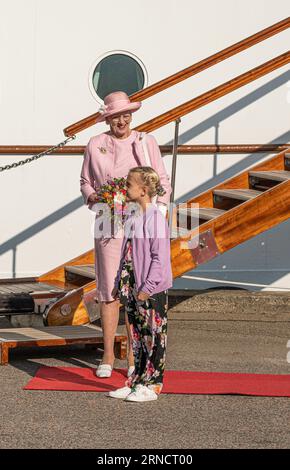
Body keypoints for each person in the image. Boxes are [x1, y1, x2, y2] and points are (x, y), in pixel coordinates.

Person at [80, 91, 172, 378]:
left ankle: (134, 355)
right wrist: (96, 198)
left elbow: (162, 180)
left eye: (126, 114)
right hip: (108, 220)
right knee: (109, 289)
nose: (122, 120)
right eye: (116, 116)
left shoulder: (147, 141)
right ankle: (107, 356)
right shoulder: (96, 144)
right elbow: (85, 181)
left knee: (134, 288)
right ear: (107, 118)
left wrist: (158, 211)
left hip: (140, 221)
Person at [108, 167, 173, 402]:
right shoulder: (135, 217)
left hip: (150, 288)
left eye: (129, 184)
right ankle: (136, 380)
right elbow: (127, 253)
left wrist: (148, 287)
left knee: (154, 336)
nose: (125, 187)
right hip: (133, 285)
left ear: (143, 190)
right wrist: (119, 282)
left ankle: (152, 383)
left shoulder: (155, 219)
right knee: (136, 335)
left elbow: (160, 258)